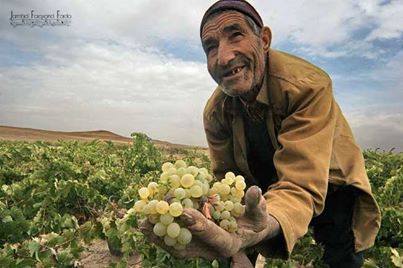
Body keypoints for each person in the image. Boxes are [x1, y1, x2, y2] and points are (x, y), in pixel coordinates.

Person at [141, 1, 381, 267]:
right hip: (265, 188)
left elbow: (301, 183)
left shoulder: (307, 87)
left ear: (264, 39)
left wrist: (263, 225)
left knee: (341, 253)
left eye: (236, 35)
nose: (223, 57)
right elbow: (228, 184)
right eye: (210, 47)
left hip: (331, 184)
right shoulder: (215, 112)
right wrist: (237, 252)